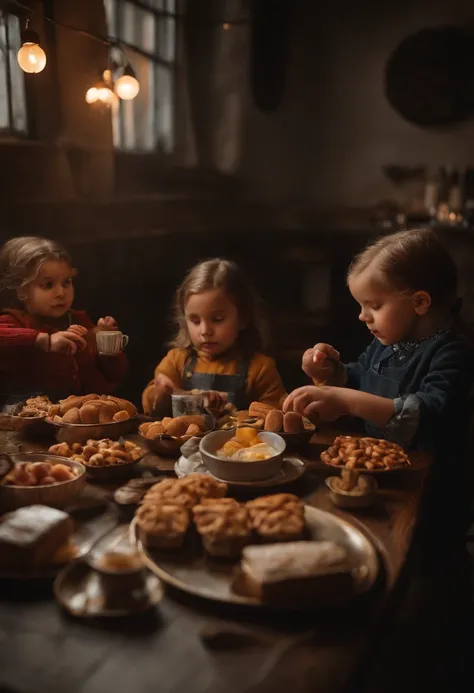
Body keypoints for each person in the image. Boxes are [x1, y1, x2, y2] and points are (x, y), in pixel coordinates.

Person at [284, 228, 474, 453]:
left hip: (425, 479)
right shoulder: (389, 342)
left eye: (375, 306)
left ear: (420, 302)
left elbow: (427, 415)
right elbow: (361, 378)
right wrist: (331, 372)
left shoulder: (451, 352)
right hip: (375, 458)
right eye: (362, 306)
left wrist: (346, 401)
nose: (362, 316)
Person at [142, 258, 286, 415]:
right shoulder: (177, 361)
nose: (205, 330)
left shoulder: (260, 369)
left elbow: (274, 414)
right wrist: (162, 394)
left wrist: (232, 414)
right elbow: (149, 406)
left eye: (217, 319)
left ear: (243, 318)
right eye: (195, 320)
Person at [0, 236, 127, 405]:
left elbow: (115, 375)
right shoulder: (14, 321)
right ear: (21, 291)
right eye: (48, 285)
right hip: (34, 421)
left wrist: (108, 347)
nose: (61, 292)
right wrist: (45, 340)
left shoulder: (79, 320)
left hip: (88, 418)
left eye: (66, 282)